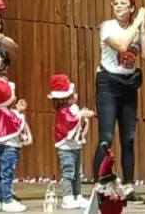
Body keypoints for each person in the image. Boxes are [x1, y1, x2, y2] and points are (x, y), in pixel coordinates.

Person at [94, 0, 145, 205]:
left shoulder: (136, 29)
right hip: (108, 83)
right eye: (116, 3)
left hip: (128, 84)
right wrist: (136, 22)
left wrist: (143, 30)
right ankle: (101, 187)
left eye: (124, 4)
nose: (119, 7)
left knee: (128, 138)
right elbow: (121, 45)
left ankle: (128, 187)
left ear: (131, 7)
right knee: (106, 137)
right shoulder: (108, 26)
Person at [47, 74, 94, 209]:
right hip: (66, 149)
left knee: (77, 174)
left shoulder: (73, 109)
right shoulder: (62, 112)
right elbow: (70, 122)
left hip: (75, 147)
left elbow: (77, 121)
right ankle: (68, 197)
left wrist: (82, 117)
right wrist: (81, 116)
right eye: (72, 94)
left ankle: (77, 195)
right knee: (69, 173)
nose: (76, 95)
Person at [0, 79, 31, 213]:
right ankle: (7, 201)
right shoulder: (7, 113)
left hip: (4, 148)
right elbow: (19, 123)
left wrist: (18, 110)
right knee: (7, 176)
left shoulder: (0, 110)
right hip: (9, 149)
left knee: (3, 175)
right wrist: (21, 112)